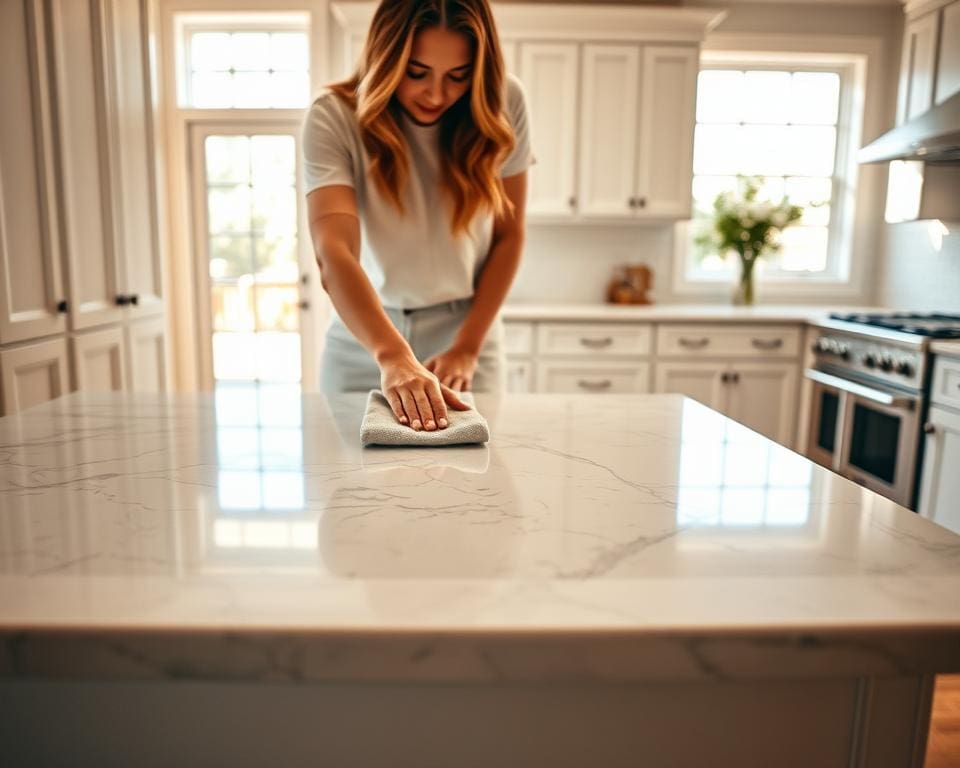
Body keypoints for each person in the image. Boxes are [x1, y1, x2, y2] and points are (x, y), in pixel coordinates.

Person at [301, 0, 534, 434]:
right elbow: (333, 251)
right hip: (366, 340)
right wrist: (392, 356)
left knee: (474, 494)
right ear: (385, 58)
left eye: (458, 76)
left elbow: (509, 235)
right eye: (417, 72)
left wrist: (467, 347)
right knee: (355, 490)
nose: (436, 94)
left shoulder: (505, 101)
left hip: (466, 335)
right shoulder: (333, 116)